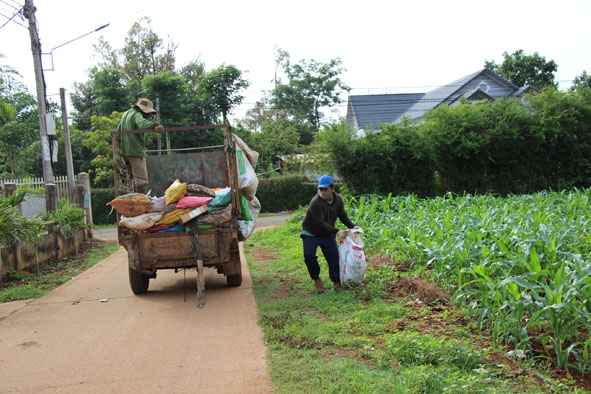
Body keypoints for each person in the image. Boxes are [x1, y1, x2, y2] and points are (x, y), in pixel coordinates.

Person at [301, 174, 359, 293]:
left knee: (333, 257)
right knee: (309, 256)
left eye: (325, 189)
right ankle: (316, 279)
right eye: (320, 189)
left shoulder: (338, 200)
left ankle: (336, 281)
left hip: (327, 234)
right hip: (311, 233)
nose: (322, 192)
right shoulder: (315, 202)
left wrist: (353, 227)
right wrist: (337, 231)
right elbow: (320, 223)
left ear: (332, 189)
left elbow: (342, 215)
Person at [117, 98, 165, 194]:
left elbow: (118, 129)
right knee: (141, 181)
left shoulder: (126, 114)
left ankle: (132, 199)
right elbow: (142, 123)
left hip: (125, 151)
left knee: (132, 178)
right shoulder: (137, 114)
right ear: (143, 110)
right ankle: (140, 203)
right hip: (135, 150)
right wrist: (155, 125)